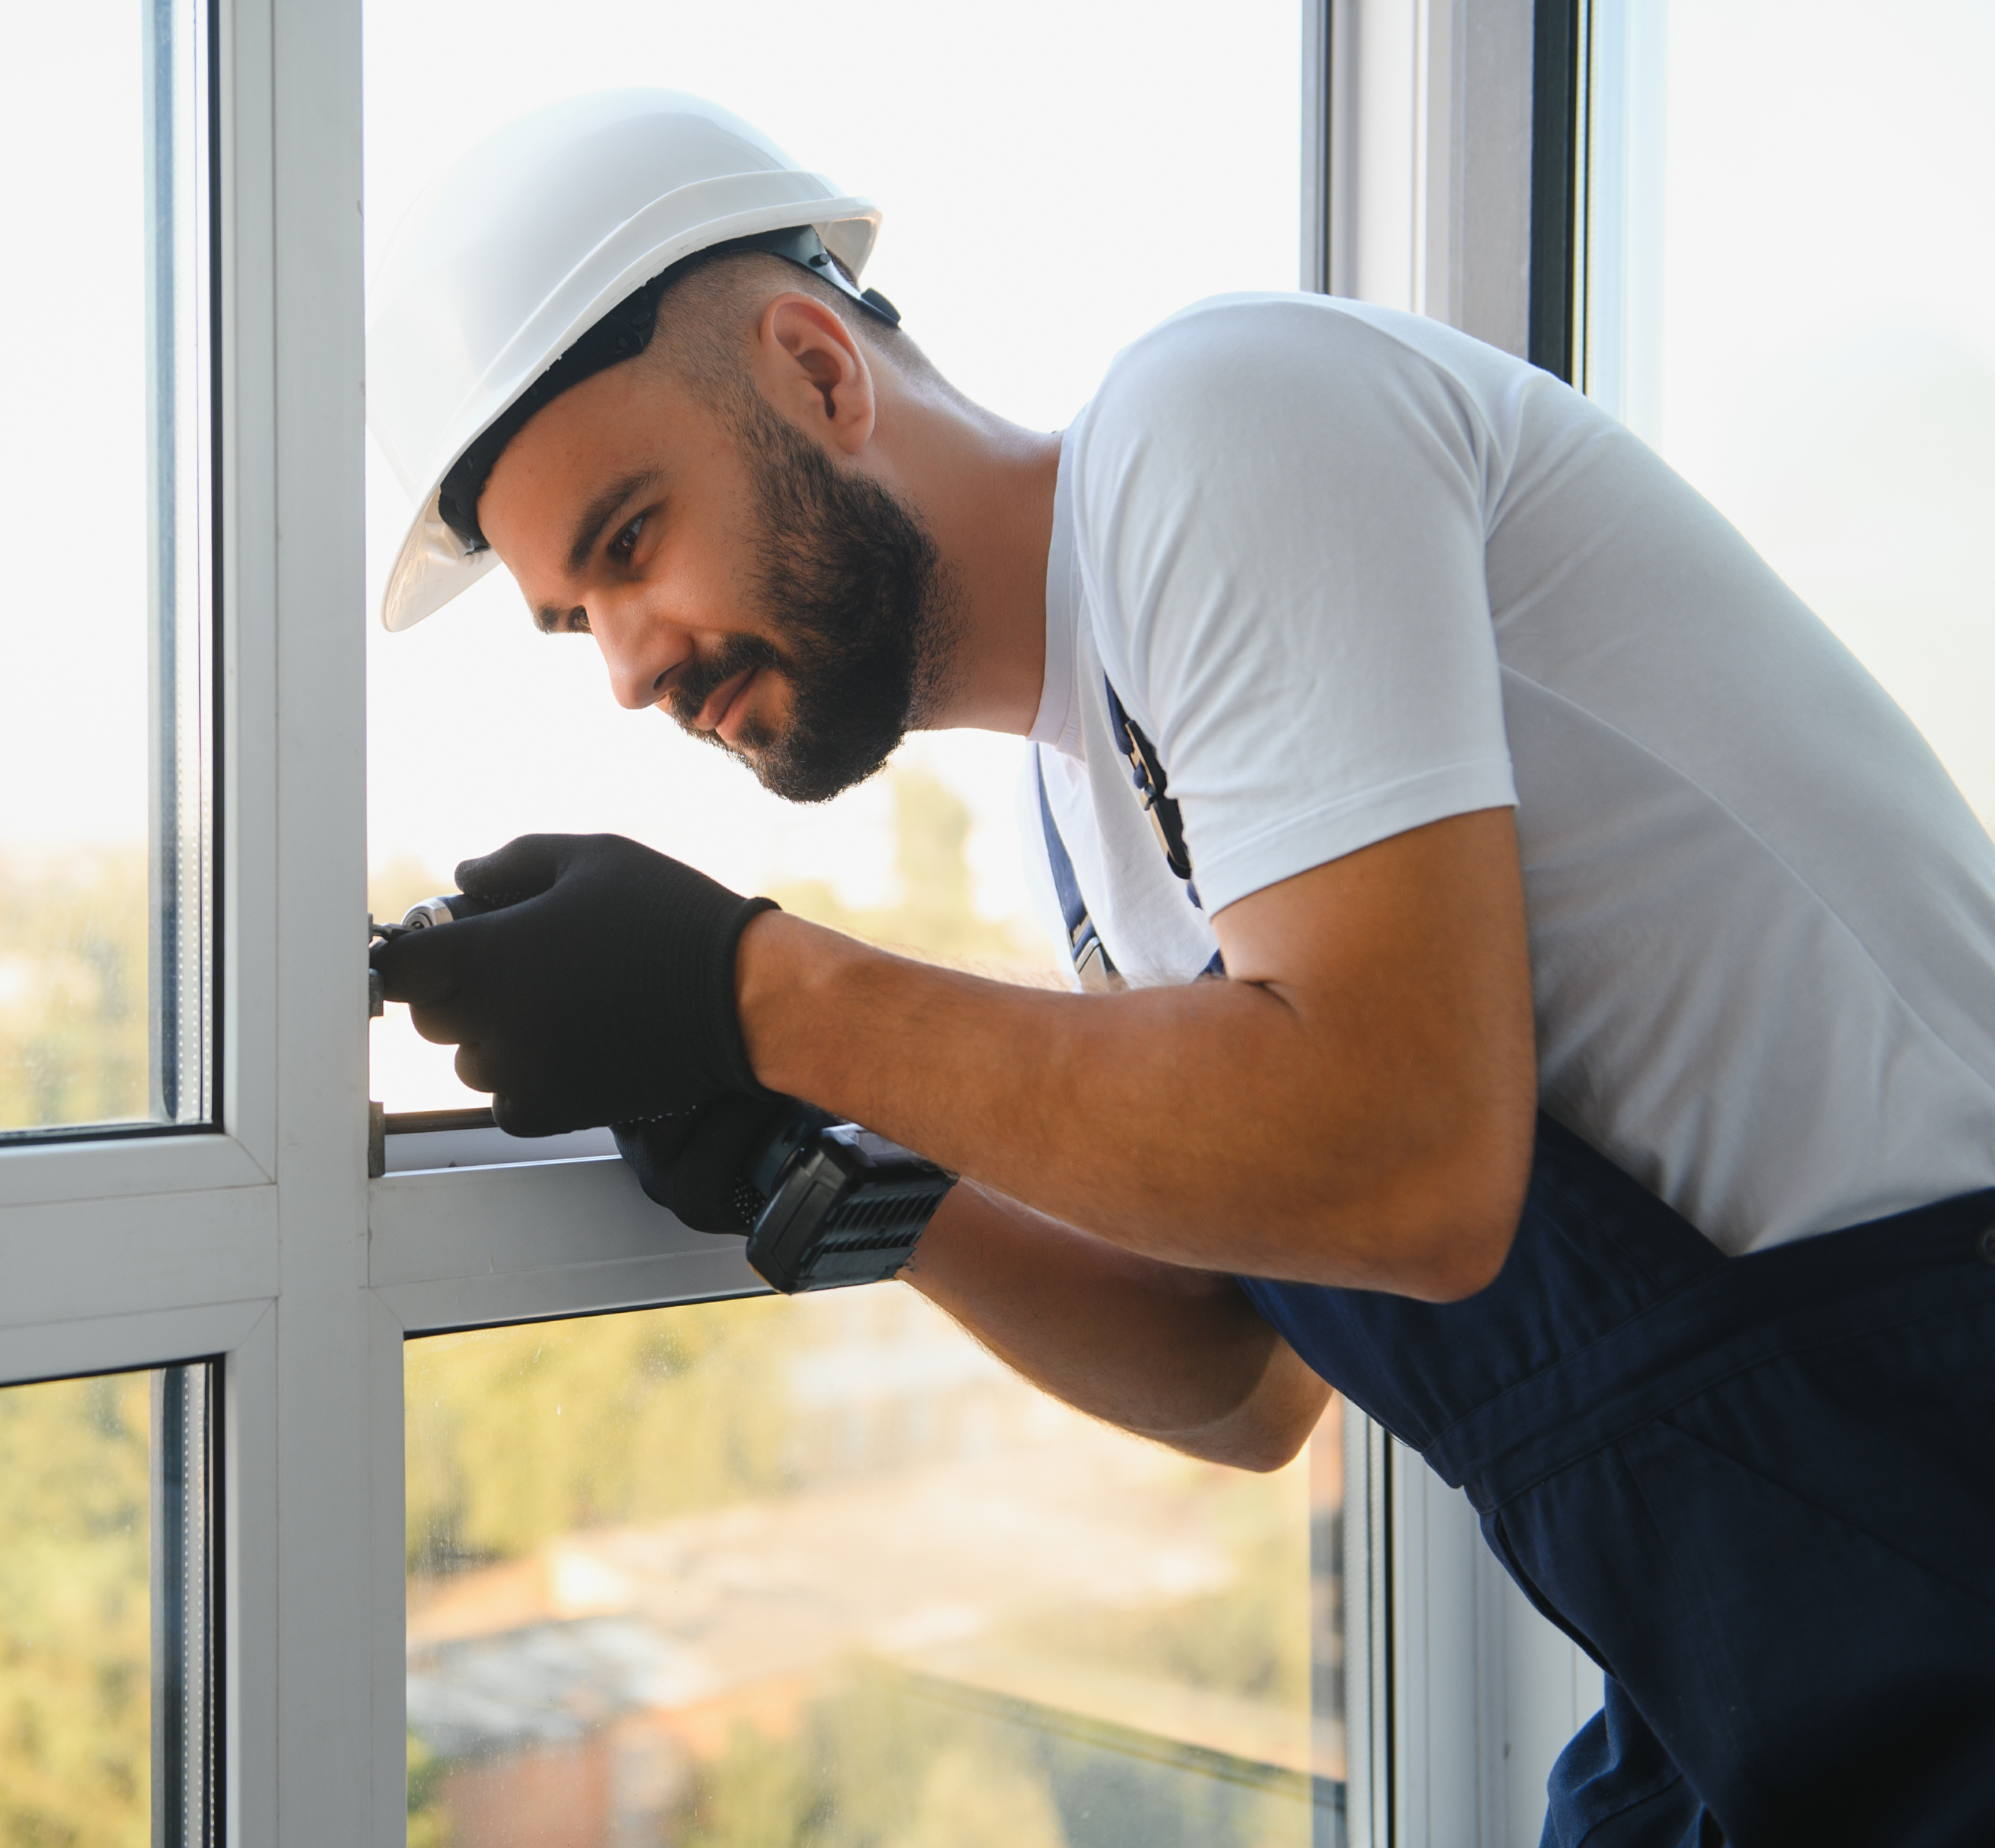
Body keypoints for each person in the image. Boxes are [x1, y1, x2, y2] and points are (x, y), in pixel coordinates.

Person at [366, 90, 1995, 1846]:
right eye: (576, 622)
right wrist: (801, 1158)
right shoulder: (1086, 823)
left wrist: (750, 984)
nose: (626, 668)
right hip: (1752, 1661)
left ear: (816, 371)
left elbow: (1407, 1155)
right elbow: (1234, 1377)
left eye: (628, 541)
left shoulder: (1219, 415)